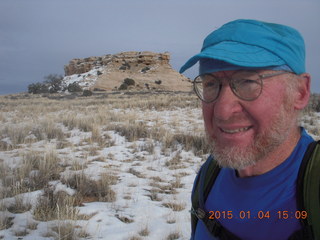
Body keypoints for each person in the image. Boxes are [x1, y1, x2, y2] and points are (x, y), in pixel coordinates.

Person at [179, 19, 314, 240]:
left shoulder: (313, 193)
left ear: (299, 92)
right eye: (211, 84)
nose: (222, 111)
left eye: (248, 81)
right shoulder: (209, 177)